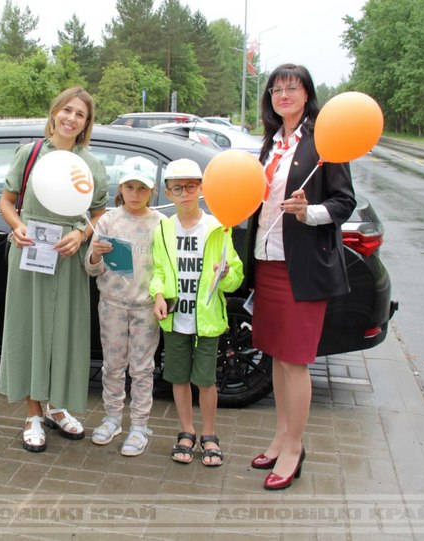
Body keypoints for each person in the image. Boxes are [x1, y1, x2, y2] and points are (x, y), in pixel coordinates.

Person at [246, 64, 356, 490]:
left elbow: (344, 202)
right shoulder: (269, 144)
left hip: (303, 269)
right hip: (268, 262)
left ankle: (294, 447)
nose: (284, 95)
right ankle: (278, 437)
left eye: (293, 88)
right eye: (277, 89)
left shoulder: (324, 143)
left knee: (295, 361)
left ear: (308, 95)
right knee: (275, 354)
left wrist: (308, 212)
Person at [0, 86, 109, 452]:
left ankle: (58, 407)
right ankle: (33, 413)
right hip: (30, 251)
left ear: (86, 124)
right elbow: (7, 201)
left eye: (80, 114)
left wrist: (81, 234)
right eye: (67, 110)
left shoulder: (91, 165)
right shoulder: (29, 154)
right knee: (31, 329)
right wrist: (17, 226)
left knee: (65, 331)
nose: (71, 118)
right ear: (55, 112)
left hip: (68, 257)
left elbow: (98, 214)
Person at [150, 159, 243, 467]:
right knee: (178, 377)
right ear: (168, 192)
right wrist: (158, 294)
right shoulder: (163, 227)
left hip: (207, 319)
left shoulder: (218, 227)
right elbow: (159, 269)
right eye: (178, 188)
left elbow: (234, 279)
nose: (185, 194)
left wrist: (226, 273)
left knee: (205, 380)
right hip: (176, 317)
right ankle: (186, 430)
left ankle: (210, 434)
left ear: (201, 189)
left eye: (191, 187)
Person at [85, 157, 165, 456]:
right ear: (121, 187)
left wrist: (161, 296)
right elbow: (91, 269)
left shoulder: (160, 223)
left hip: (145, 307)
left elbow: (165, 267)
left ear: (151, 191)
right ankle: (113, 417)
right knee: (113, 365)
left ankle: (140, 424)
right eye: (130, 187)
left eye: (141, 188)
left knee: (143, 368)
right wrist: (96, 254)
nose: (135, 193)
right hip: (112, 304)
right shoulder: (108, 220)